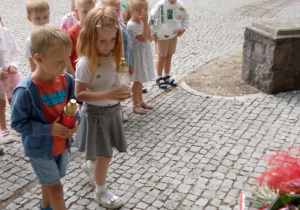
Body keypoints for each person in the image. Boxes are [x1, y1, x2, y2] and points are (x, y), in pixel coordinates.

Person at [10, 24, 79, 210]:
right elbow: (17, 123)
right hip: (40, 150)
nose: (64, 65)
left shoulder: (67, 80)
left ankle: (45, 206)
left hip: (62, 146)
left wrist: (76, 124)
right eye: (59, 61)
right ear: (38, 58)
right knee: (57, 189)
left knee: (49, 182)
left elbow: (73, 107)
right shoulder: (25, 91)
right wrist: (49, 129)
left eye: (66, 59)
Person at [74, 7, 131, 209]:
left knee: (101, 153)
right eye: (102, 41)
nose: (108, 46)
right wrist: (108, 94)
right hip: (96, 114)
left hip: (112, 112)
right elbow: (79, 94)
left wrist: (123, 92)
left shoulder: (115, 58)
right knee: (105, 155)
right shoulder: (86, 63)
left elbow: (117, 82)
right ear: (90, 38)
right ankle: (101, 191)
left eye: (113, 40)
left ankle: (90, 166)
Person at [149, 0, 189, 89]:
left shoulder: (180, 5)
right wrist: (153, 32)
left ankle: (166, 75)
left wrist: (183, 28)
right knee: (162, 56)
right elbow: (152, 17)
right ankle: (159, 77)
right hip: (161, 37)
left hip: (173, 36)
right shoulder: (160, 5)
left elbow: (186, 17)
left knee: (169, 55)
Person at [125, 0, 154, 114]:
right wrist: (145, 23)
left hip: (143, 54)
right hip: (137, 56)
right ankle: (135, 104)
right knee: (137, 81)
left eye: (146, 10)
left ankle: (141, 101)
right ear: (132, 10)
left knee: (141, 79)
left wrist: (146, 24)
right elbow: (142, 38)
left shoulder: (142, 22)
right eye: (141, 10)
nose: (144, 13)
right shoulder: (132, 25)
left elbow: (150, 39)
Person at [0, 16, 22, 144]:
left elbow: (15, 50)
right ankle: (3, 128)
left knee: (14, 100)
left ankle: (18, 122)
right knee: (0, 104)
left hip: (10, 74)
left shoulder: (5, 32)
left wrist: (14, 64)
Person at [66, 0, 95, 74]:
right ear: (77, 11)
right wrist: (73, 75)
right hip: (78, 71)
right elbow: (67, 57)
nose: (89, 15)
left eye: (91, 12)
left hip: (95, 69)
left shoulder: (98, 28)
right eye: (85, 12)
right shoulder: (73, 32)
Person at [25, 0, 50, 72]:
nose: (42, 21)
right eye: (38, 18)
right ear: (29, 18)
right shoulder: (30, 40)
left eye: (45, 17)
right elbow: (31, 61)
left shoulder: (54, 35)